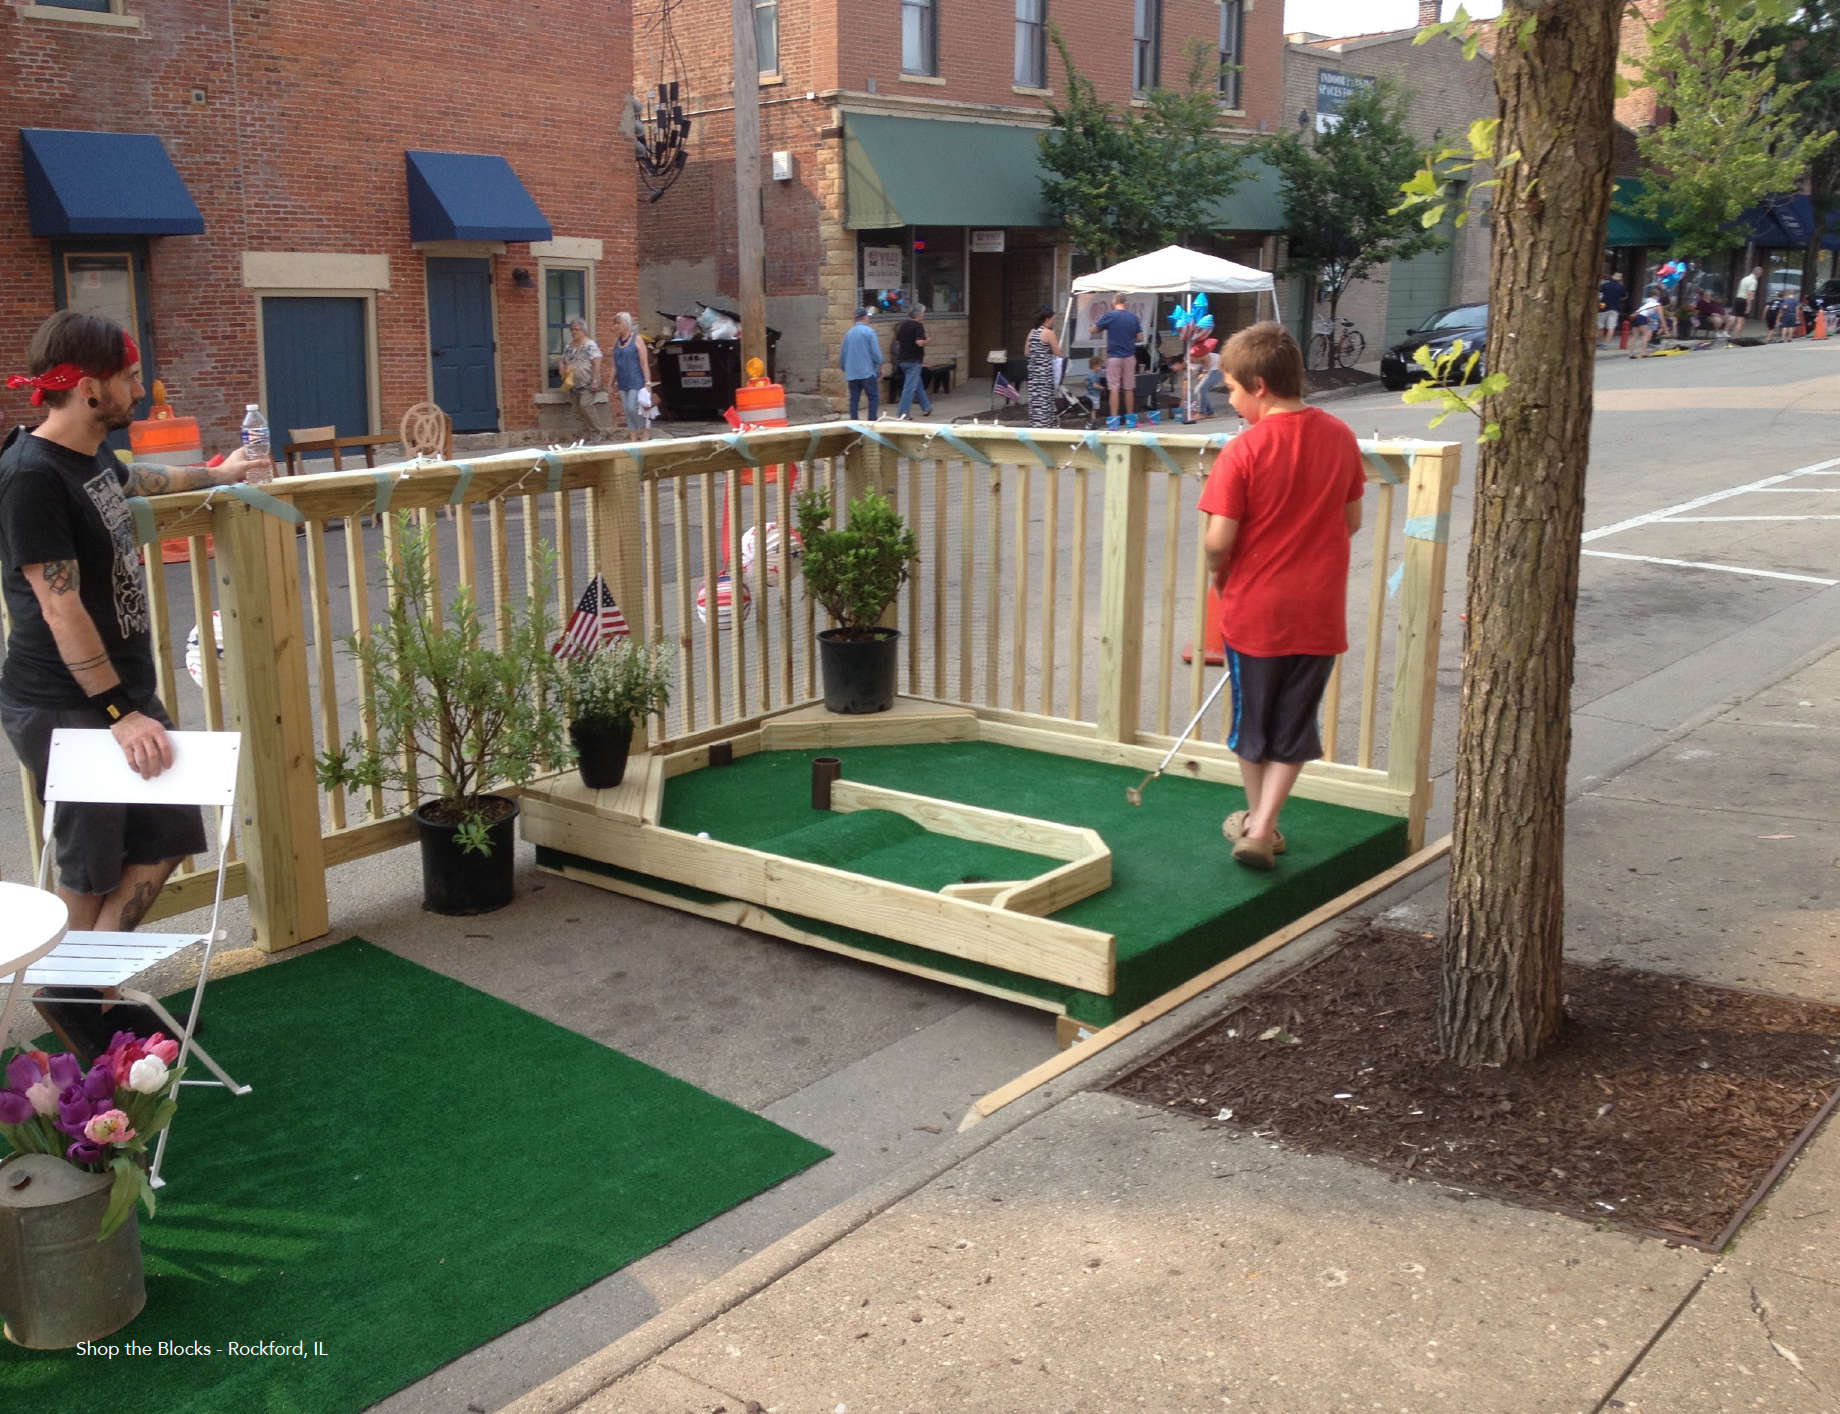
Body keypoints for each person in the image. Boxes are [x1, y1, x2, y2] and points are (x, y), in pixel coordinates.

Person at [1, 311, 261, 1058]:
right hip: (67, 703)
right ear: (89, 388)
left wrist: (218, 475)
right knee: (90, 865)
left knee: (170, 830)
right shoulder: (29, 477)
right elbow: (59, 605)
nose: (138, 389)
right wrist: (119, 711)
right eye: (126, 378)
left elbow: (137, 480)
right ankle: (76, 998)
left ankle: (84, 989)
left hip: (118, 698)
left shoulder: (90, 457)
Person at [1195, 322, 1364, 871]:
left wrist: (1218, 575)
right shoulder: (1340, 436)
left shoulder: (1243, 449)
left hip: (1256, 612)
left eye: (1232, 390)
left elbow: (1218, 541)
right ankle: (1264, 824)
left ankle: (1256, 824)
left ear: (1260, 386)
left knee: (1252, 722)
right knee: (1295, 722)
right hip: (1319, 611)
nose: (1231, 401)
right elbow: (1351, 521)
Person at [1089, 294, 1145, 428]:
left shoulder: (1110, 315)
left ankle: (1114, 421)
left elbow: (1094, 330)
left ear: (1113, 304)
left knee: (1114, 388)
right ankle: (1130, 420)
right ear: (1125, 303)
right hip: (1129, 356)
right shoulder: (1133, 317)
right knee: (1128, 388)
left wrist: (1096, 326)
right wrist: (1128, 338)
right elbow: (1140, 337)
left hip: (1114, 356)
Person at [555, 317, 604, 441]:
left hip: (587, 383)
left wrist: (595, 381)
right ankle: (584, 434)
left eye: (576, 329)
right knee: (577, 411)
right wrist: (561, 365)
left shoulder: (590, 345)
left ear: (583, 330)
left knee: (585, 406)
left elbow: (597, 362)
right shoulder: (569, 346)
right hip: (573, 384)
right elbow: (562, 359)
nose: (574, 332)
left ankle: (596, 433)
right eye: (572, 329)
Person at [609, 312, 653, 442]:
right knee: (627, 411)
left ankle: (644, 432)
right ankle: (633, 437)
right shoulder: (616, 342)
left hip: (635, 380)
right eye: (614, 323)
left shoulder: (636, 339)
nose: (616, 326)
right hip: (622, 382)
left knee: (633, 408)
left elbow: (644, 363)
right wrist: (610, 384)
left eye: (618, 323)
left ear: (626, 324)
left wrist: (648, 382)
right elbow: (614, 365)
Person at [839, 308, 883, 420]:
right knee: (873, 396)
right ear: (864, 318)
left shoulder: (848, 334)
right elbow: (876, 353)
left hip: (852, 373)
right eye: (868, 317)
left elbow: (843, 354)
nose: (868, 319)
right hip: (867, 371)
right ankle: (871, 420)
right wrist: (879, 364)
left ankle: (854, 422)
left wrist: (844, 368)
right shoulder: (869, 332)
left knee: (854, 399)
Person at [1024, 305, 1063, 429]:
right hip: (1044, 372)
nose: (1053, 321)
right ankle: (1046, 423)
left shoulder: (1032, 332)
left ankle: (1035, 423)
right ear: (1047, 319)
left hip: (1033, 372)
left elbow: (1026, 352)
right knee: (1045, 398)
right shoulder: (1049, 333)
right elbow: (1058, 352)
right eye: (1052, 319)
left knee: (1035, 398)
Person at [892, 304, 931, 418]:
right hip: (913, 360)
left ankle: (926, 407)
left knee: (917, 384)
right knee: (909, 388)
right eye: (923, 312)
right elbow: (919, 342)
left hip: (902, 359)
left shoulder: (904, 325)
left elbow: (898, 341)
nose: (923, 314)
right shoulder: (918, 326)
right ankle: (903, 413)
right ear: (919, 314)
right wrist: (927, 340)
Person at [1628, 285, 1664, 356]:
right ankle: (1643, 352)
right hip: (1642, 317)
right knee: (1646, 334)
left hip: (1636, 315)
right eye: (1657, 296)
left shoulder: (1647, 302)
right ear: (1655, 296)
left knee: (1634, 335)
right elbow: (1660, 316)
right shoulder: (1656, 304)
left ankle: (1631, 353)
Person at [1597, 270, 1626, 349]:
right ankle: (1606, 344)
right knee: (1611, 327)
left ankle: (1600, 342)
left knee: (1600, 326)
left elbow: (1599, 292)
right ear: (1620, 280)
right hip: (1614, 308)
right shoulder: (1621, 287)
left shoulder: (1605, 285)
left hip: (1603, 307)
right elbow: (1624, 296)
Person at [1733, 265, 1762, 336]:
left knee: (1739, 321)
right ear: (1759, 273)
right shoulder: (1753, 281)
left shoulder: (1745, 278)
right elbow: (1749, 293)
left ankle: (1737, 336)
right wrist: (1748, 306)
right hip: (1744, 300)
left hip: (1738, 299)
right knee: (1740, 322)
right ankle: (1735, 337)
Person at [1196, 344, 1223, 417]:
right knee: (1198, 390)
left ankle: (1202, 413)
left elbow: (1207, 358)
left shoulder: (1189, 358)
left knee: (1201, 389)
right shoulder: (1185, 369)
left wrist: (1204, 372)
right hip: (1212, 368)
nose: (1173, 369)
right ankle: (1211, 412)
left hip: (1216, 367)